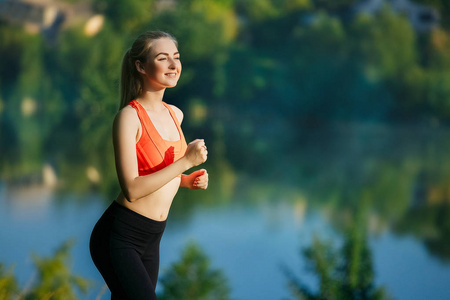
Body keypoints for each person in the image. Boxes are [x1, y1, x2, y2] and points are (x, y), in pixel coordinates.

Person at [89, 31, 209, 300]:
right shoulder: (129, 118)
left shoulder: (174, 114)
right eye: (163, 58)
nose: (173, 65)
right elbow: (132, 188)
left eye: (176, 58)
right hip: (120, 237)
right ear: (141, 66)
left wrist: (188, 179)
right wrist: (186, 162)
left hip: (152, 238)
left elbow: (160, 171)